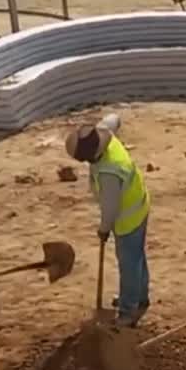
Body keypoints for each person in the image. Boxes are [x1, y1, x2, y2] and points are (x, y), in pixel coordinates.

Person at [65, 122, 151, 327]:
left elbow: (110, 209)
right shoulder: (109, 141)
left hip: (127, 219)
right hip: (139, 204)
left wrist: (103, 230)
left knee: (129, 263)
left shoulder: (109, 173)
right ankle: (140, 297)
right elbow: (111, 120)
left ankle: (128, 311)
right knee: (137, 257)